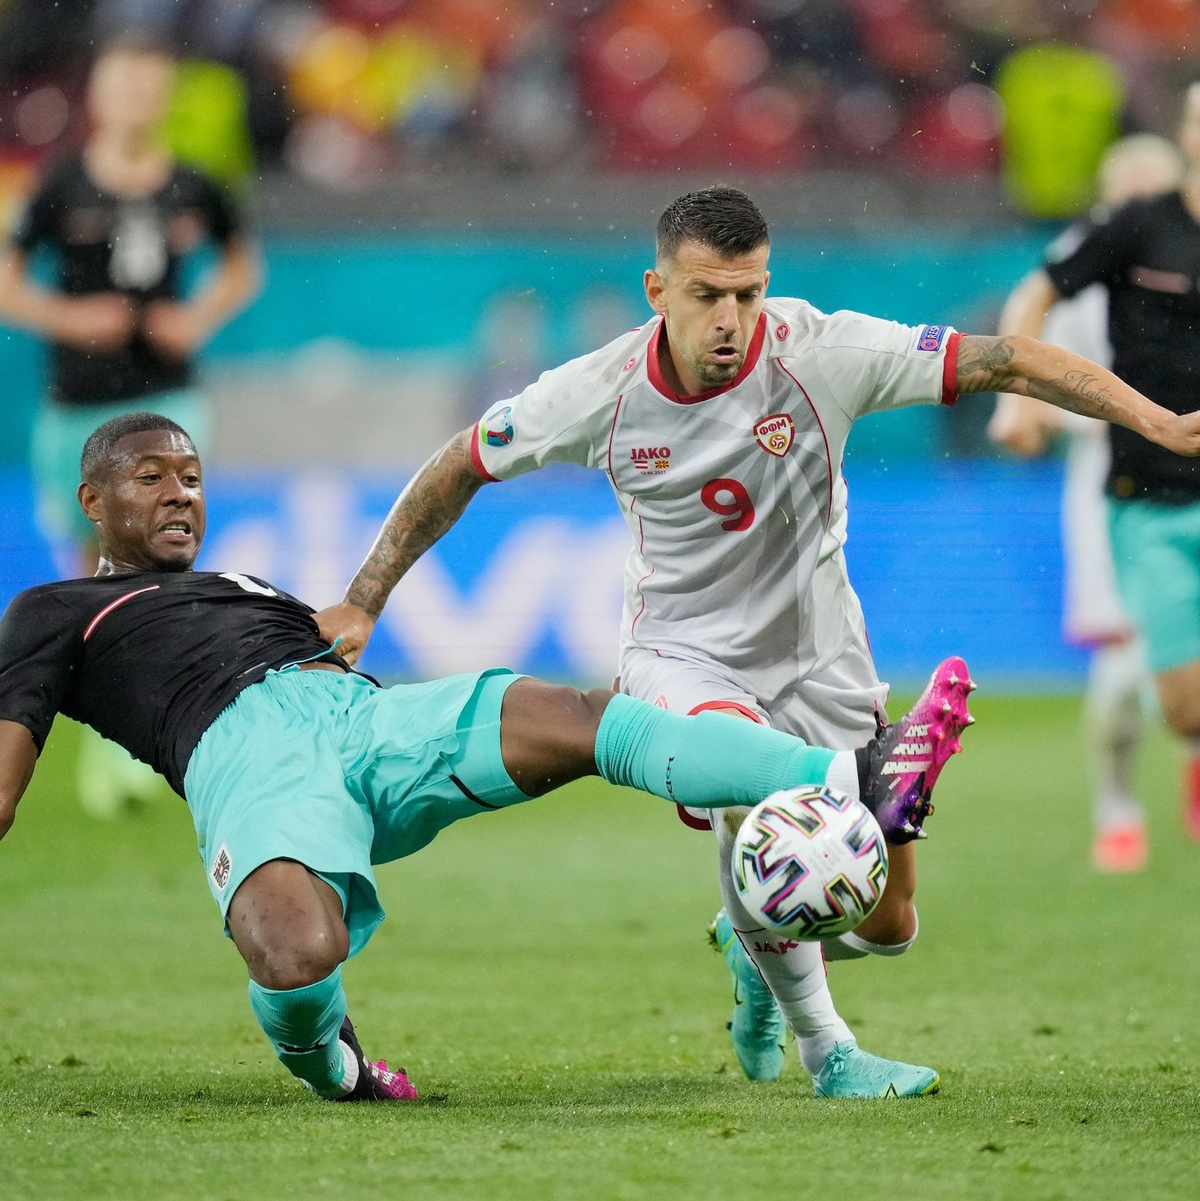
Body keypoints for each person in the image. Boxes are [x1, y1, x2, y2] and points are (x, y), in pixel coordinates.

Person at [315, 186, 1200, 1097]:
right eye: (709, 296)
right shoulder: (598, 392)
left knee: (890, 923)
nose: (734, 320)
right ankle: (831, 1051)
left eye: (750, 293)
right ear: (657, 291)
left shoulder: (826, 351)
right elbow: (461, 462)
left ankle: (754, 940)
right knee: (760, 802)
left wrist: (1157, 422)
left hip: (822, 656)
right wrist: (361, 600)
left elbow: (1006, 359)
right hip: (682, 657)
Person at [0, 411, 976, 1102]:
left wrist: (343, 617)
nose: (181, 492)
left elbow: (320, 640)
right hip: (242, 759)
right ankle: (334, 1063)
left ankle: (852, 773)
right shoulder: (49, 612)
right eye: (151, 477)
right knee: (300, 957)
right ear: (92, 498)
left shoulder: (242, 577)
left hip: (359, 713)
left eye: (192, 476)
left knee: (582, 715)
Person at [0, 34, 260, 820]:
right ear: (100, 98)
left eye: (150, 89)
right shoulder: (61, 181)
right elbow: (8, 281)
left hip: (167, 400)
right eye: (124, 88)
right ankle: (104, 739)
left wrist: (199, 315)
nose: (137, 102)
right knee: (93, 571)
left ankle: (139, 743)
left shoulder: (193, 184)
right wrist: (69, 315)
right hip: (77, 404)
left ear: (163, 99)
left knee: (155, 557)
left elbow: (243, 264)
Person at [994, 84, 1200, 847]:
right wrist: (1022, 404)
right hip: (1122, 483)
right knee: (1143, 686)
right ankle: (1118, 801)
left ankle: (1156, 792)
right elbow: (1035, 319)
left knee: (1143, 672)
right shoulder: (1111, 256)